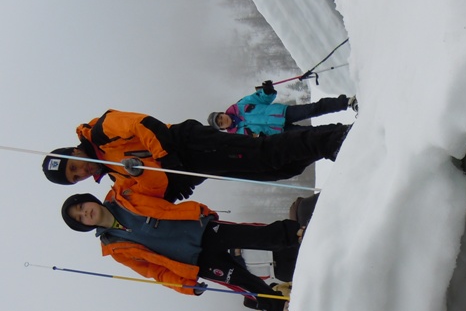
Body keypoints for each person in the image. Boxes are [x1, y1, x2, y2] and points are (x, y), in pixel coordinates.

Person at [60, 188, 301, 311]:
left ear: (88, 200)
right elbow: (154, 271)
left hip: (199, 228)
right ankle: (283, 308)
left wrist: (135, 170)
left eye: (82, 207)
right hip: (193, 261)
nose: (86, 213)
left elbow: (154, 182)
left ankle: (297, 233)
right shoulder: (114, 248)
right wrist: (184, 285)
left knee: (253, 236)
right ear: (85, 226)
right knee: (243, 283)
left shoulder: (124, 194)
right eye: (80, 218)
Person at [42, 108, 349, 201]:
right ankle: (326, 141)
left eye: (73, 167)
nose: (79, 173)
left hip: (188, 143)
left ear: (72, 152)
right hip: (195, 166)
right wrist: (171, 188)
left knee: (264, 154)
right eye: (74, 178)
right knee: (277, 171)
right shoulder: (115, 175)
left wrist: (166, 156)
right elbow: (157, 190)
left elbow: (144, 124)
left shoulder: (101, 131)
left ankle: (334, 139)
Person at [208, 79, 356, 136]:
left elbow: (262, 98)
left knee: (313, 109)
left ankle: (347, 102)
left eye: (220, 117)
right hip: (279, 132)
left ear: (222, 113)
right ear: (222, 128)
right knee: (310, 133)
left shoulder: (240, 105)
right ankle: (343, 131)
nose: (223, 120)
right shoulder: (238, 135)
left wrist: (267, 90)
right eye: (220, 123)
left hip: (282, 113)